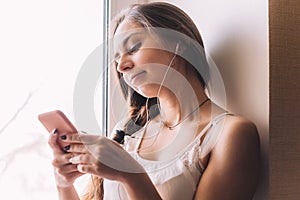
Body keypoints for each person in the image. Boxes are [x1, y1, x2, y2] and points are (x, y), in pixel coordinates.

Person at [48, 2, 260, 200]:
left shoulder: (230, 134)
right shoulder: (130, 133)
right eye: (116, 58)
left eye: (133, 48)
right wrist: (64, 185)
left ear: (179, 43)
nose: (121, 66)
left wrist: (130, 175)